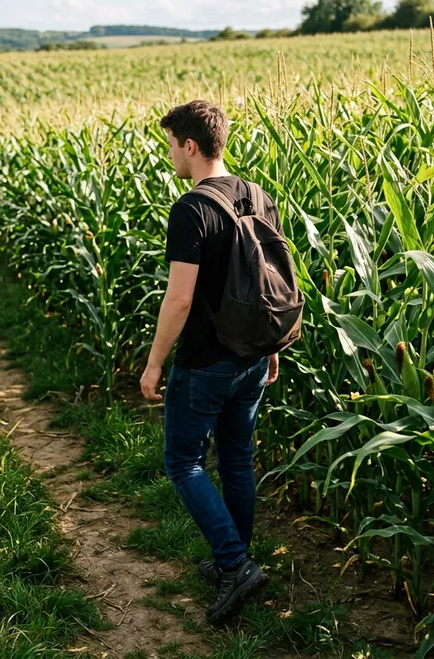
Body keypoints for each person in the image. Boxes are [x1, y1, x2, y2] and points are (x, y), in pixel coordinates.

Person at [140, 99, 281, 626]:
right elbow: (269, 281)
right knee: (238, 460)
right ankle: (236, 562)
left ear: (191, 145)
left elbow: (179, 299)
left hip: (205, 362)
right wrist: (269, 348)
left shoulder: (191, 208)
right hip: (251, 357)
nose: (170, 155)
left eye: (172, 145)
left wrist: (155, 363)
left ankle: (233, 563)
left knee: (184, 464)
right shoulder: (257, 196)